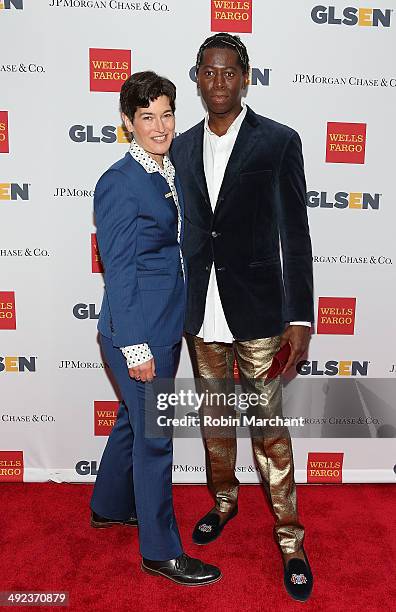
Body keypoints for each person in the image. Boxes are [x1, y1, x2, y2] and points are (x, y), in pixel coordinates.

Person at [171, 34, 314, 601]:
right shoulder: (180, 147)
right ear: (197, 78)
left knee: (269, 433)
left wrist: (300, 316)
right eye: (208, 72)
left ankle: (291, 539)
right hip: (200, 311)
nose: (219, 81)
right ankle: (224, 503)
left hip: (258, 313)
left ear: (246, 76)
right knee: (215, 424)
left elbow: (296, 236)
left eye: (229, 72)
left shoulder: (279, 142)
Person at [90, 71, 221, 587]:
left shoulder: (168, 171)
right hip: (136, 332)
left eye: (167, 114)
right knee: (154, 437)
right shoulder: (118, 183)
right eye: (147, 117)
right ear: (128, 121)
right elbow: (119, 271)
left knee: (131, 420)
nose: (160, 126)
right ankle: (160, 550)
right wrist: (136, 344)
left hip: (165, 324)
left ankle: (107, 505)